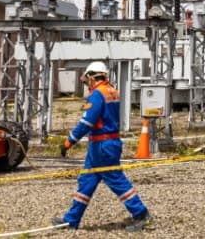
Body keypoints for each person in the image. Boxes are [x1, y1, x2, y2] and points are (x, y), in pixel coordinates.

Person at [53, 62, 150, 232]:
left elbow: (87, 122)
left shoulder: (97, 94)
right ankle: (71, 220)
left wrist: (70, 141)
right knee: (87, 181)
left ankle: (141, 213)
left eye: (87, 79)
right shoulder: (111, 90)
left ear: (93, 76)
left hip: (102, 146)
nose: (87, 83)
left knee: (116, 179)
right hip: (103, 144)